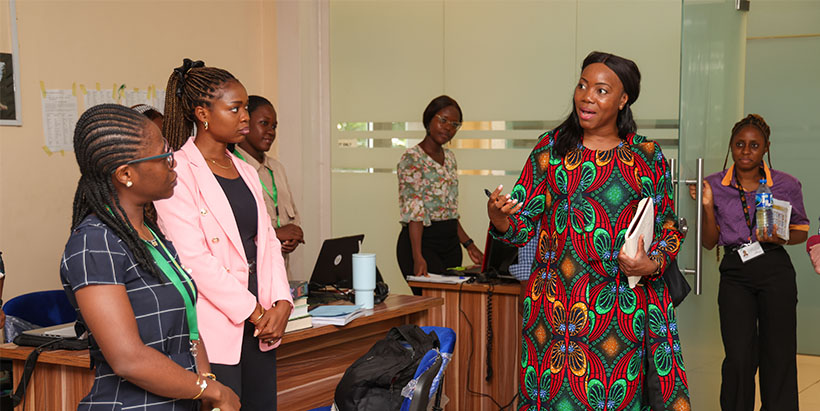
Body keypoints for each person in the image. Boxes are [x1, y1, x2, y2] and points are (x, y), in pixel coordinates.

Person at [487, 51, 690, 410]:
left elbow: (669, 229)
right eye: (582, 86)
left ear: (623, 99)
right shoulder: (550, 149)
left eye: (600, 90)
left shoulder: (646, 155)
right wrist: (501, 218)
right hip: (555, 313)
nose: (586, 96)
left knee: (616, 400)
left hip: (622, 311)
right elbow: (520, 227)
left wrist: (652, 264)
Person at [60, 104, 239, 410]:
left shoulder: (150, 234)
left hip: (181, 399)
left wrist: (206, 379)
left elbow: (188, 326)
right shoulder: (94, 242)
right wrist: (213, 391)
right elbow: (128, 359)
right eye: (164, 157)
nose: (174, 166)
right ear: (126, 174)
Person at [154, 59, 293, 410]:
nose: (245, 116)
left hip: (260, 326)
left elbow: (268, 243)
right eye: (235, 108)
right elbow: (193, 260)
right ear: (203, 113)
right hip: (216, 325)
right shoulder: (177, 171)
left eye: (245, 107)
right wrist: (255, 312)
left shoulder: (246, 170)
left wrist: (281, 303)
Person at [689, 113, 808, 411]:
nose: (746, 151)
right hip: (735, 272)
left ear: (766, 148)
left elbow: (801, 232)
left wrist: (779, 237)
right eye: (739, 144)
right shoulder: (713, 184)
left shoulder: (786, 184)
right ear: (731, 146)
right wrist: (706, 206)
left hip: (774, 268)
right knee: (739, 357)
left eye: (754, 145)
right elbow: (708, 242)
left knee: (778, 353)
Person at [396, 95, 483, 278]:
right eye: (443, 120)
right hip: (422, 245)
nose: (448, 128)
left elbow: (449, 211)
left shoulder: (450, 158)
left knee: (451, 305)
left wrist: (469, 245)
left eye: (454, 124)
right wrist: (417, 257)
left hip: (450, 244)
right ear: (429, 119)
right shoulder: (412, 158)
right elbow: (415, 214)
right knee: (432, 303)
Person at [232, 95, 303, 277]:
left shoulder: (277, 168)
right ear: (245, 123)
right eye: (264, 123)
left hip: (282, 274)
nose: (271, 131)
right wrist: (276, 234)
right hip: (252, 276)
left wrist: (294, 235)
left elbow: (294, 216)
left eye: (274, 126)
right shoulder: (232, 167)